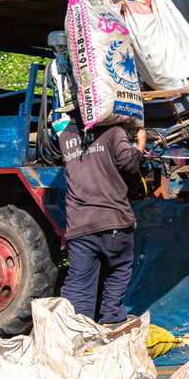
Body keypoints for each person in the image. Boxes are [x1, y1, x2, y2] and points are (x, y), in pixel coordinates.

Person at [59, 120, 146, 323]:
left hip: (79, 225)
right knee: (118, 271)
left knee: (79, 283)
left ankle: (77, 330)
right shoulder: (114, 131)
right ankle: (111, 321)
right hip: (113, 220)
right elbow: (130, 163)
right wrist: (140, 143)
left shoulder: (64, 137)